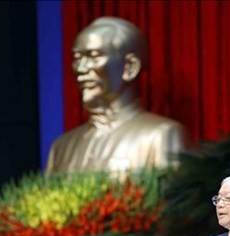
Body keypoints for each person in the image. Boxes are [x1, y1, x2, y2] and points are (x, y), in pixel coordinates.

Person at [45, 17, 185, 175]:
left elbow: (171, 199)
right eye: (77, 58)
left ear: (130, 67)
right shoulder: (61, 147)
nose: (81, 68)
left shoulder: (160, 135)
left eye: (94, 56)